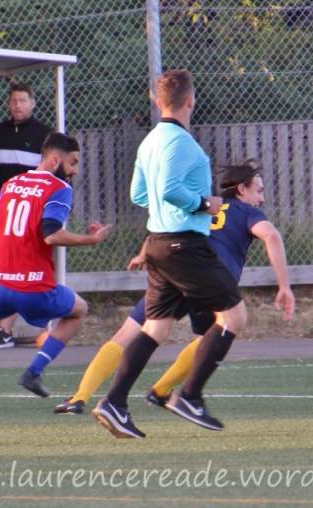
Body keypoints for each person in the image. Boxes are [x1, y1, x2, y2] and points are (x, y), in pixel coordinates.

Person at [54, 161, 295, 417]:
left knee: (129, 334)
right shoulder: (246, 211)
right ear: (242, 190)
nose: (262, 198)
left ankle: (79, 397)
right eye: (258, 191)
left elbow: (167, 228)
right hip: (210, 279)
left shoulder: (204, 204)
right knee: (216, 334)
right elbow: (271, 235)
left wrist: (143, 253)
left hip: (175, 268)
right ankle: (162, 391)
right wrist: (284, 285)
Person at [91, 69, 246, 438]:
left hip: (159, 243)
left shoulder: (149, 142)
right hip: (183, 245)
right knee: (234, 317)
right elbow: (169, 190)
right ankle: (189, 396)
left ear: (158, 101)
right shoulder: (182, 143)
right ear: (191, 100)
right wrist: (204, 204)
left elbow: (139, 195)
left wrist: (170, 210)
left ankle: (114, 402)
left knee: (155, 327)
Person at [0, 133, 112, 411]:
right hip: (32, 287)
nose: (75, 170)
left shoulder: (11, 183)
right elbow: (51, 234)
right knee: (79, 310)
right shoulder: (59, 188)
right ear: (55, 159)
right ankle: (33, 372)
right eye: (73, 162)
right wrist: (91, 239)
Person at [0, 81, 54, 349]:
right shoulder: (0, 132)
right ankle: (1, 330)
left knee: (21, 268)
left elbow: (52, 177)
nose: (17, 105)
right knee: (1, 268)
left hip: (29, 215)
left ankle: (10, 330)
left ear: (32, 103)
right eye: (13, 100)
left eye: (22, 100)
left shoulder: (44, 134)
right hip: (2, 213)